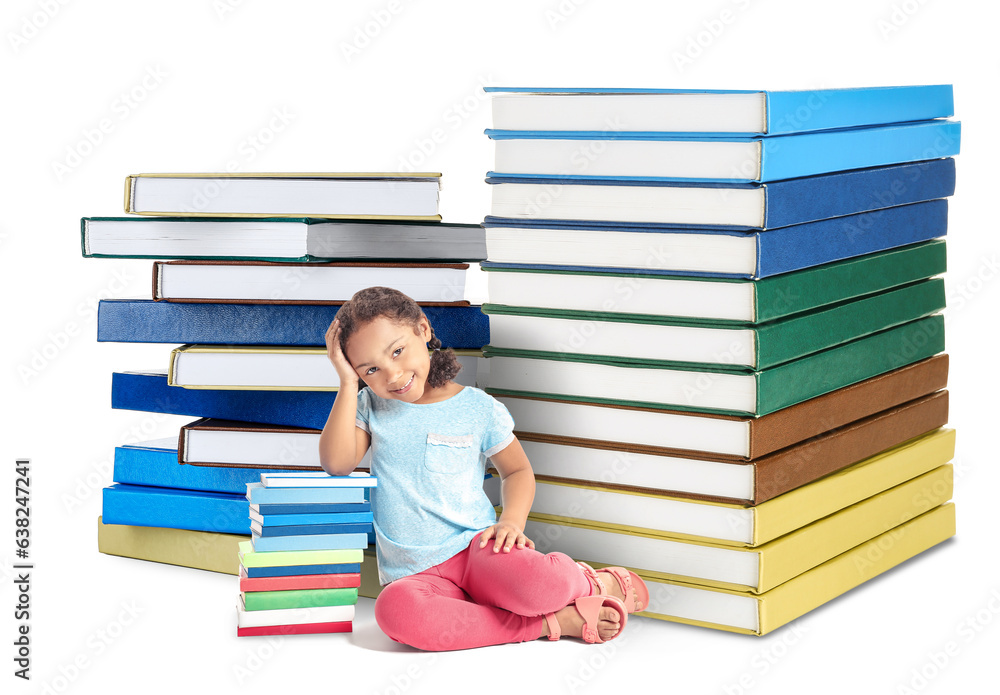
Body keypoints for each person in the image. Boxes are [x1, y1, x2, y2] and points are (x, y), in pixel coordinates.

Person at [318, 286, 648, 651]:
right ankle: (551, 623)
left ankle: (590, 583)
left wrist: (512, 523)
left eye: (397, 351)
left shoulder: (478, 407)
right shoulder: (368, 405)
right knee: (396, 614)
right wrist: (347, 382)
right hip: (414, 574)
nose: (393, 375)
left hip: (478, 550)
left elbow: (518, 472)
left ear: (423, 330)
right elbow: (337, 463)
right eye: (371, 369)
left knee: (541, 585)